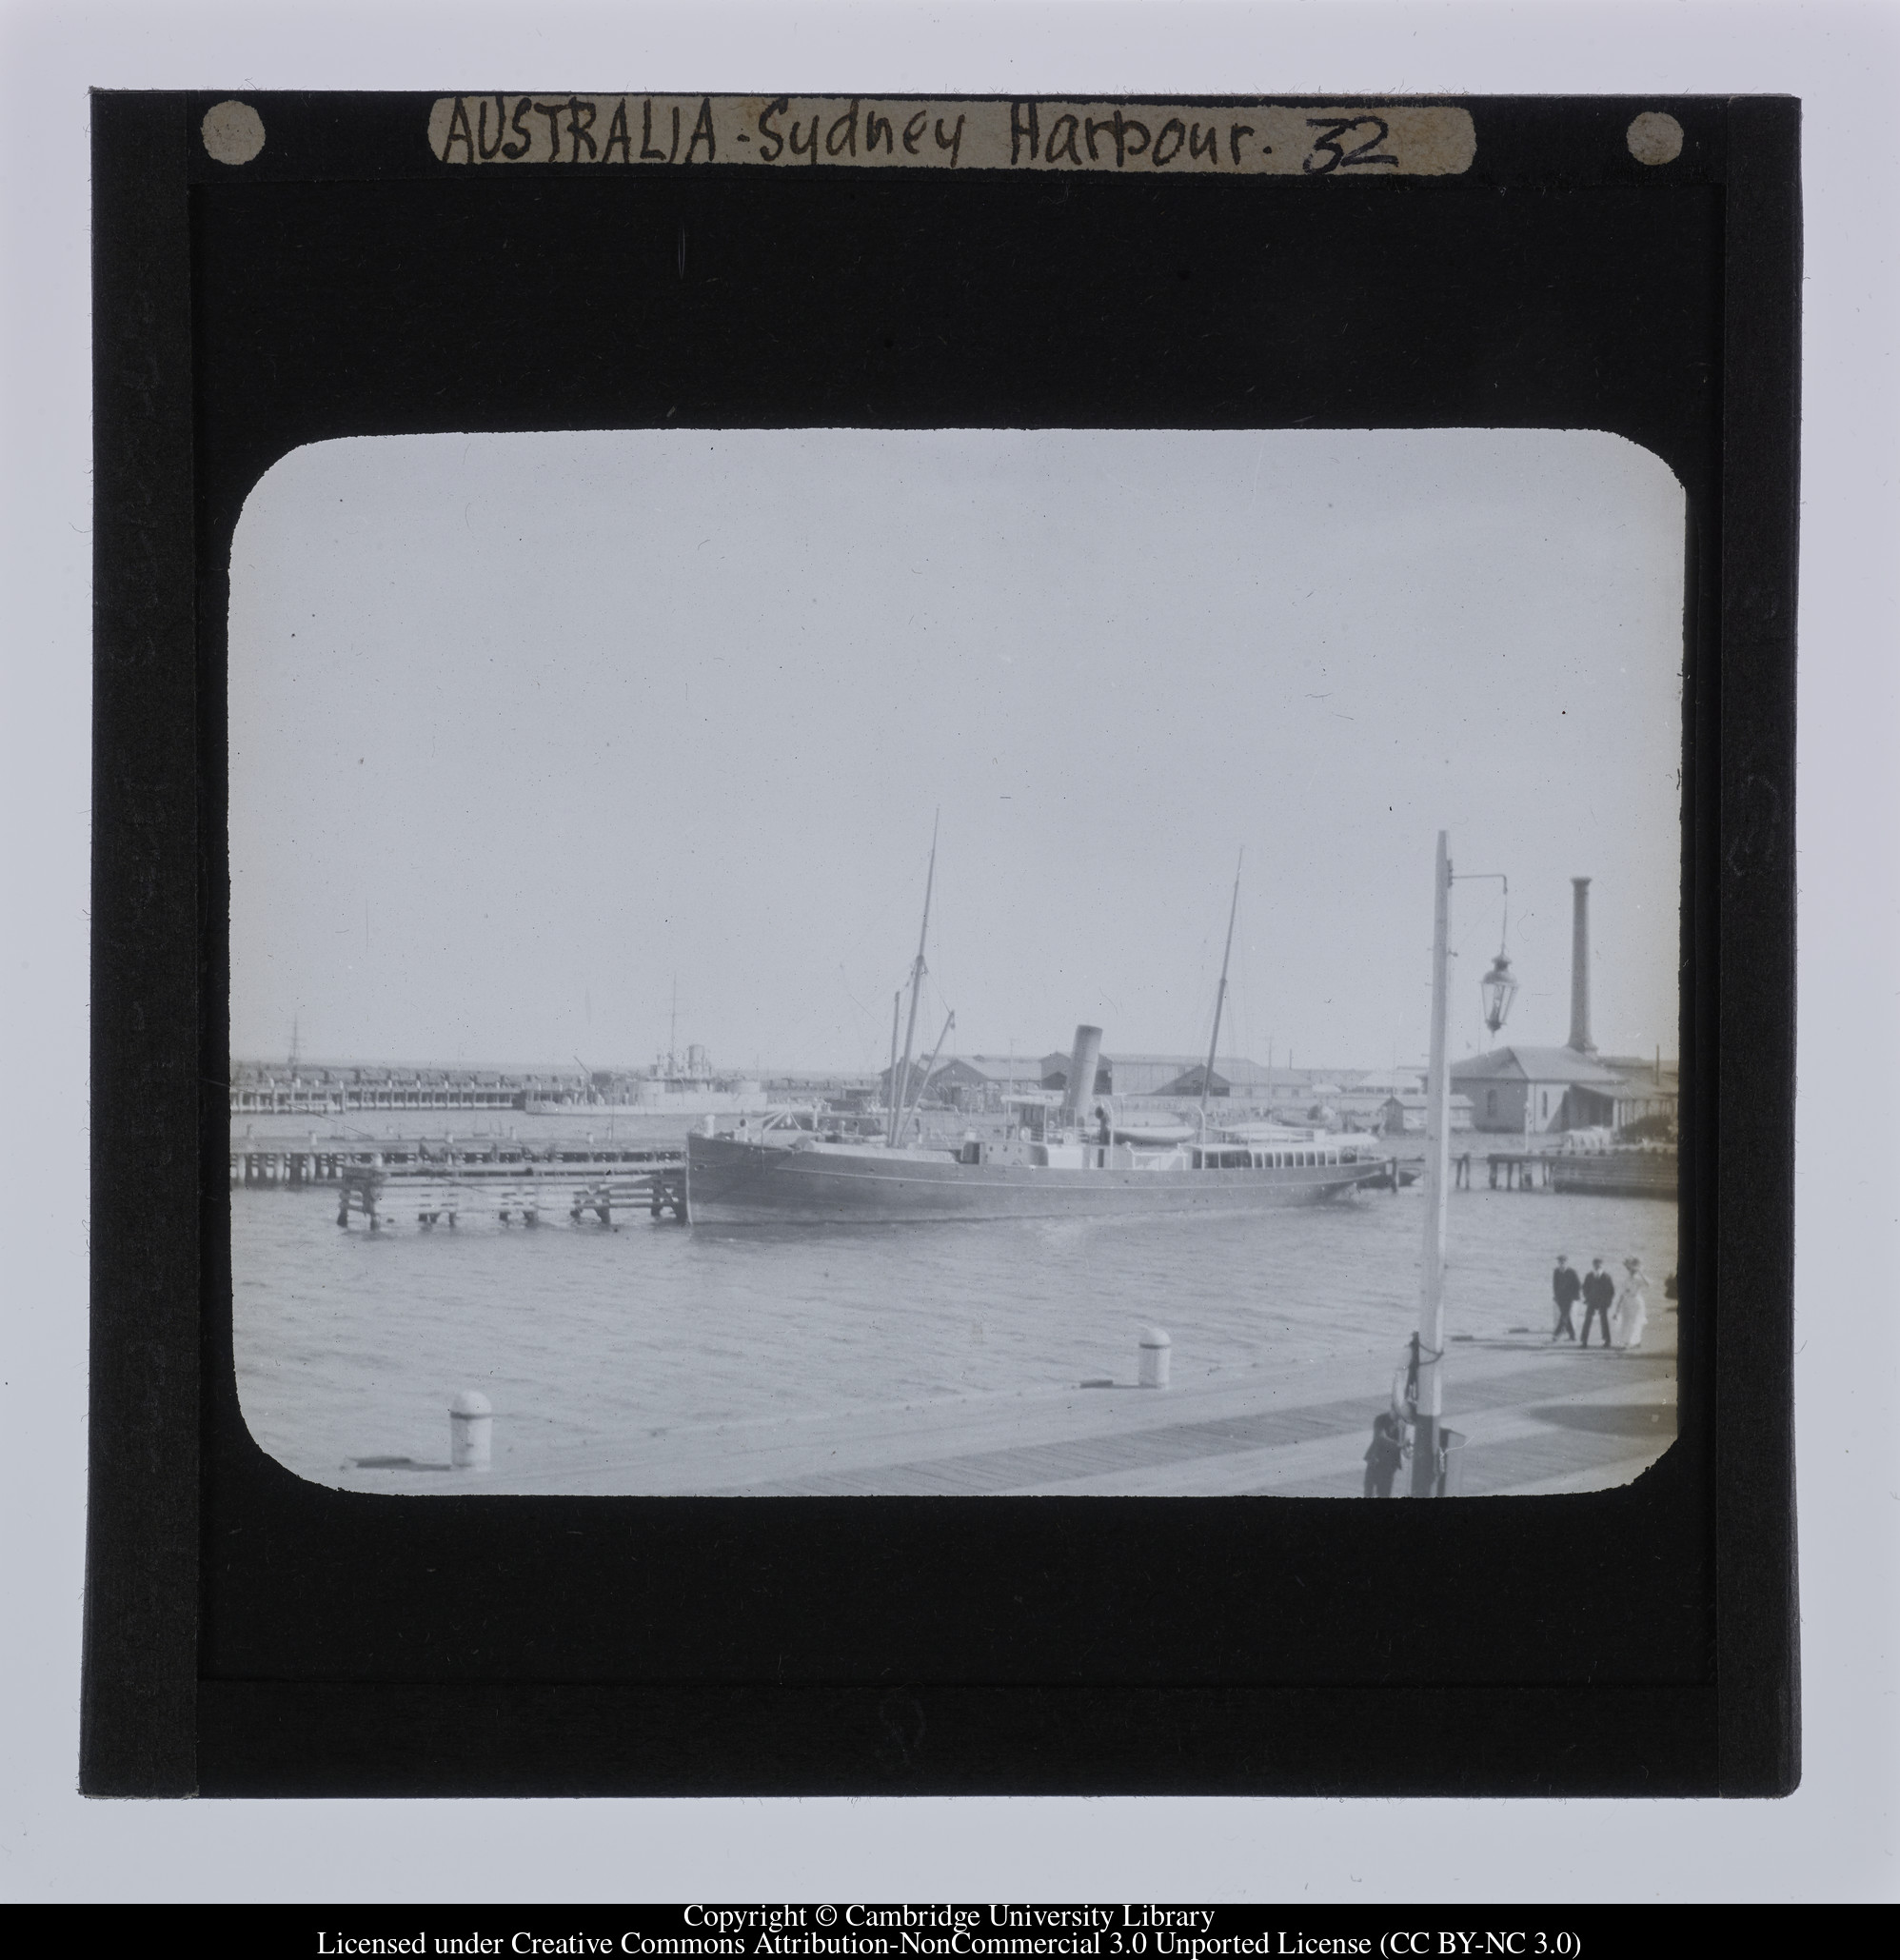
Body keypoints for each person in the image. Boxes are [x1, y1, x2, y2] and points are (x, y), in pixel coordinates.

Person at [1364, 1410, 1405, 1498]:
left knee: (1385, 1495)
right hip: (1375, 1463)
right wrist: (1398, 1445)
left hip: (1389, 1468)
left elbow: (1404, 1444)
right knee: (1369, 1494)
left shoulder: (1402, 1424)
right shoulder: (1381, 1419)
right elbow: (1380, 1438)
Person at [1614, 1257, 1651, 1352]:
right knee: (1626, 1322)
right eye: (1630, 1270)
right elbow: (1622, 1294)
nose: (1631, 1271)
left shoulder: (1638, 1279)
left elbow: (1648, 1284)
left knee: (1635, 1322)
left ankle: (1629, 1342)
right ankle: (1633, 1341)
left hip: (1636, 1302)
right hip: (1626, 1303)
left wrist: (1641, 1273)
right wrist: (1617, 1309)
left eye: (1633, 1270)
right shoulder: (1626, 1280)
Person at [1580, 1257, 1616, 1347]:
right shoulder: (1589, 1276)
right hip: (1591, 1301)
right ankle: (1584, 1341)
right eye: (1596, 1265)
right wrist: (1587, 1298)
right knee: (1587, 1320)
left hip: (1603, 1302)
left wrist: (1608, 1302)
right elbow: (1584, 1288)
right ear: (1593, 1265)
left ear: (1602, 1266)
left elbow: (1611, 1291)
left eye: (1599, 1265)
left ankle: (1607, 1341)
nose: (1598, 1267)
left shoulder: (1607, 1277)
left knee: (1604, 1321)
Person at [1550, 1254, 1581, 1341]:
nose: (1561, 1263)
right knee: (1566, 1316)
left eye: (1563, 1262)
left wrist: (1575, 1296)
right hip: (1560, 1298)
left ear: (1566, 1262)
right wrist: (1555, 1296)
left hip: (1569, 1298)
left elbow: (1578, 1285)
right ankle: (1572, 1335)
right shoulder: (1556, 1271)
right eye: (1560, 1262)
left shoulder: (1572, 1272)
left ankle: (1556, 1334)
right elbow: (1555, 1285)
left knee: (1564, 1315)